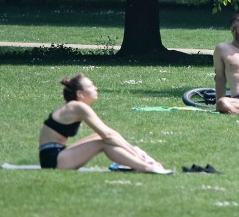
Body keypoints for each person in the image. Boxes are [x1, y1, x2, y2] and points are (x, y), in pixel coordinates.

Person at [38, 73, 172, 173]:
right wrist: (135, 153)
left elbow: (109, 133)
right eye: (90, 86)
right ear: (80, 94)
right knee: (103, 142)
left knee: (99, 138)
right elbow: (107, 135)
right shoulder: (79, 107)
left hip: (55, 154)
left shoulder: (75, 106)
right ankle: (146, 167)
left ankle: (136, 162)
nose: (95, 88)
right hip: (53, 160)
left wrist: (132, 149)